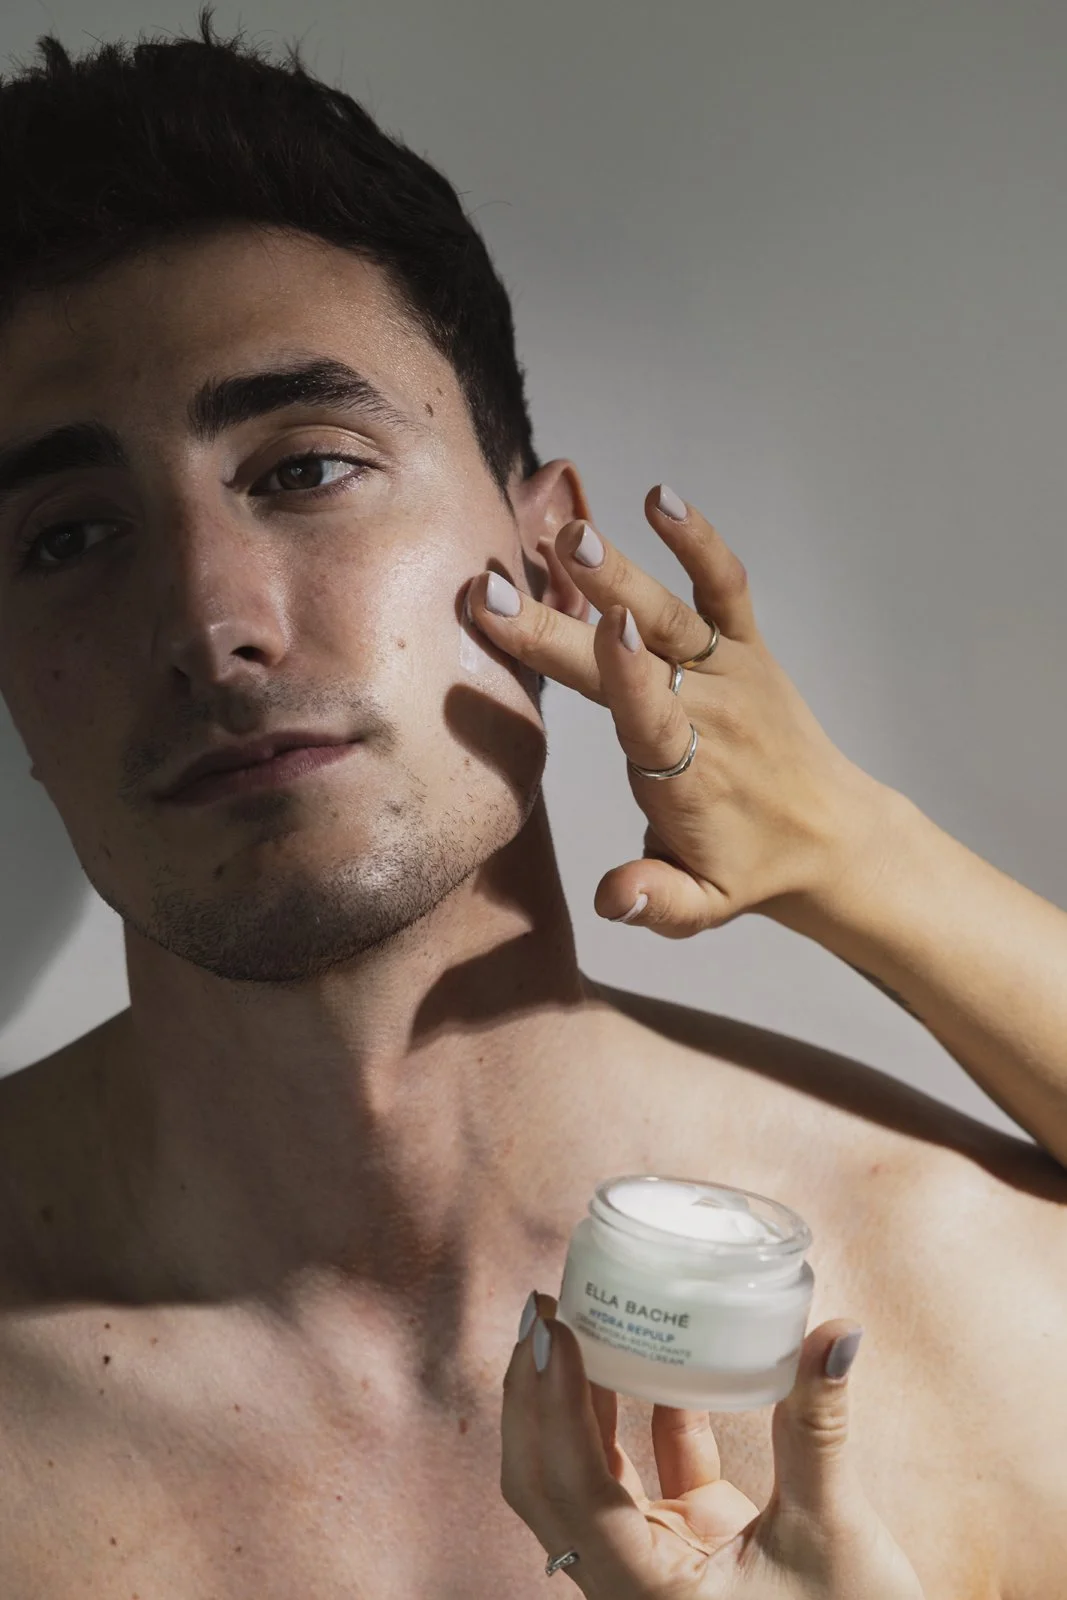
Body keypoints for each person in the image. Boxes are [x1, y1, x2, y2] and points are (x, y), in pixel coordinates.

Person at [0, 10, 1063, 1598]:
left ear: (545, 551)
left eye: (305, 468)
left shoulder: (981, 1312)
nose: (211, 621)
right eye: (70, 539)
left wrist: (847, 840)